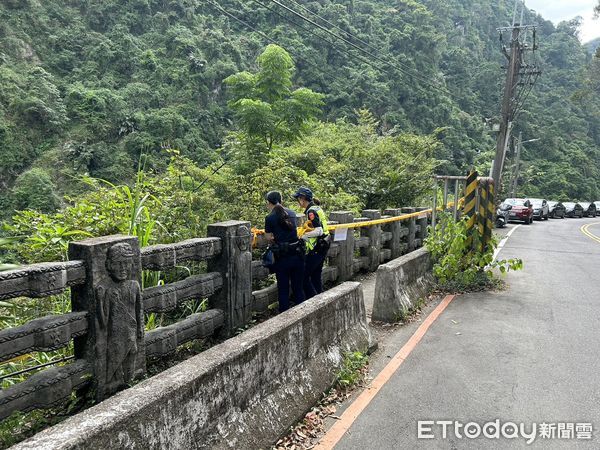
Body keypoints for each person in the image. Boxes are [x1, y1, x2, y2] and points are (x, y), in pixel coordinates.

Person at [264, 191, 305, 312]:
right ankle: (303, 314)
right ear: (281, 200)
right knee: (298, 288)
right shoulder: (292, 213)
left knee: (283, 289)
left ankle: (285, 318)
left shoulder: (270, 218)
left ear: (268, 203)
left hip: (282, 257)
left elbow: (268, 237)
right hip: (297, 254)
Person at [293, 187, 330, 299]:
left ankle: (313, 301)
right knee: (315, 276)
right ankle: (320, 300)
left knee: (303, 277)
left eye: (298, 199)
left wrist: (303, 235)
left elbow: (319, 230)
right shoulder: (317, 208)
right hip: (323, 245)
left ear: (303, 199)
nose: (298, 202)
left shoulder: (311, 211)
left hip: (317, 248)